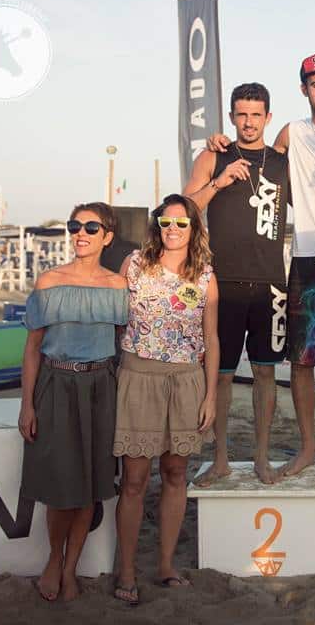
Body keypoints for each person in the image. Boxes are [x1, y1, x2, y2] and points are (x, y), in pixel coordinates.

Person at [204, 53, 315, 483]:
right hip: (308, 255)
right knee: (301, 360)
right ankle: (308, 448)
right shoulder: (291, 133)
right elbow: (262, 162)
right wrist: (218, 144)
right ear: (304, 89)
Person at [17, 202, 128, 601]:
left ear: (107, 236)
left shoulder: (118, 286)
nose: (81, 233)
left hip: (101, 388)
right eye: (75, 226)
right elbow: (32, 349)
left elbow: (123, 343)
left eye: (91, 227)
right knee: (61, 486)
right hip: (56, 385)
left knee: (90, 486)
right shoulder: (48, 282)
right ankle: (52, 559)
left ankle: (70, 567)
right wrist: (27, 404)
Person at [112, 194, 218, 605]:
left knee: (175, 475)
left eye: (181, 223)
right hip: (139, 378)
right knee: (135, 481)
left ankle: (166, 565)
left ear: (194, 228)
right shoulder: (135, 264)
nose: (173, 229)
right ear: (157, 225)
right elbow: (113, 314)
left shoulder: (206, 275)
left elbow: (211, 339)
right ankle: (126, 569)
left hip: (187, 381)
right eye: (166, 222)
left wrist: (210, 394)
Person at [183, 83, 289, 487]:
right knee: (221, 376)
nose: (248, 122)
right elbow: (184, 209)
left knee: (265, 374)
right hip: (221, 283)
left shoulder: (282, 162)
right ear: (231, 117)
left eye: (256, 114)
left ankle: (262, 458)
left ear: (268, 117)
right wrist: (221, 180)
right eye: (241, 115)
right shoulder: (214, 154)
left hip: (269, 285)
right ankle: (222, 458)